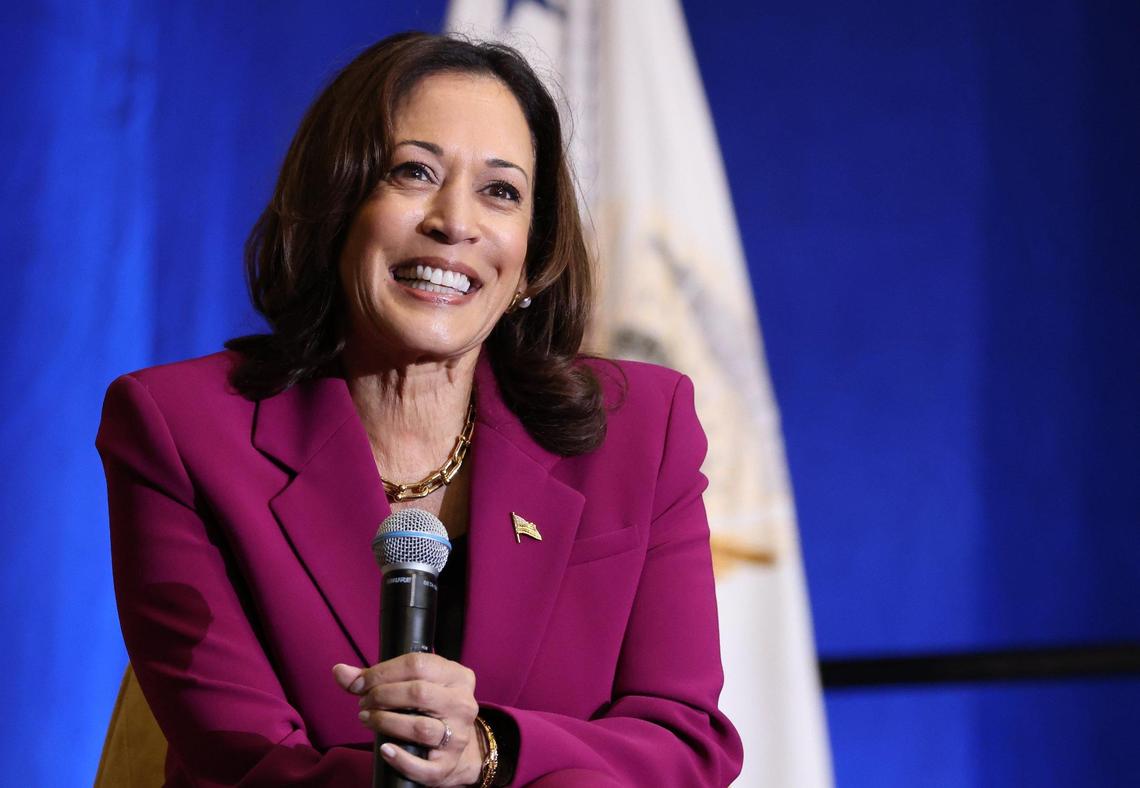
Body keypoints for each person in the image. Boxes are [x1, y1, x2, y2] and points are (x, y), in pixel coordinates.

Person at [97, 31, 743, 787]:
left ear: (532, 256)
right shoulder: (181, 429)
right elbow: (247, 764)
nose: (454, 222)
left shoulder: (641, 429)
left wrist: (489, 754)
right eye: (413, 173)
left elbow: (687, 741)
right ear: (335, 206)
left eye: (500, 191)